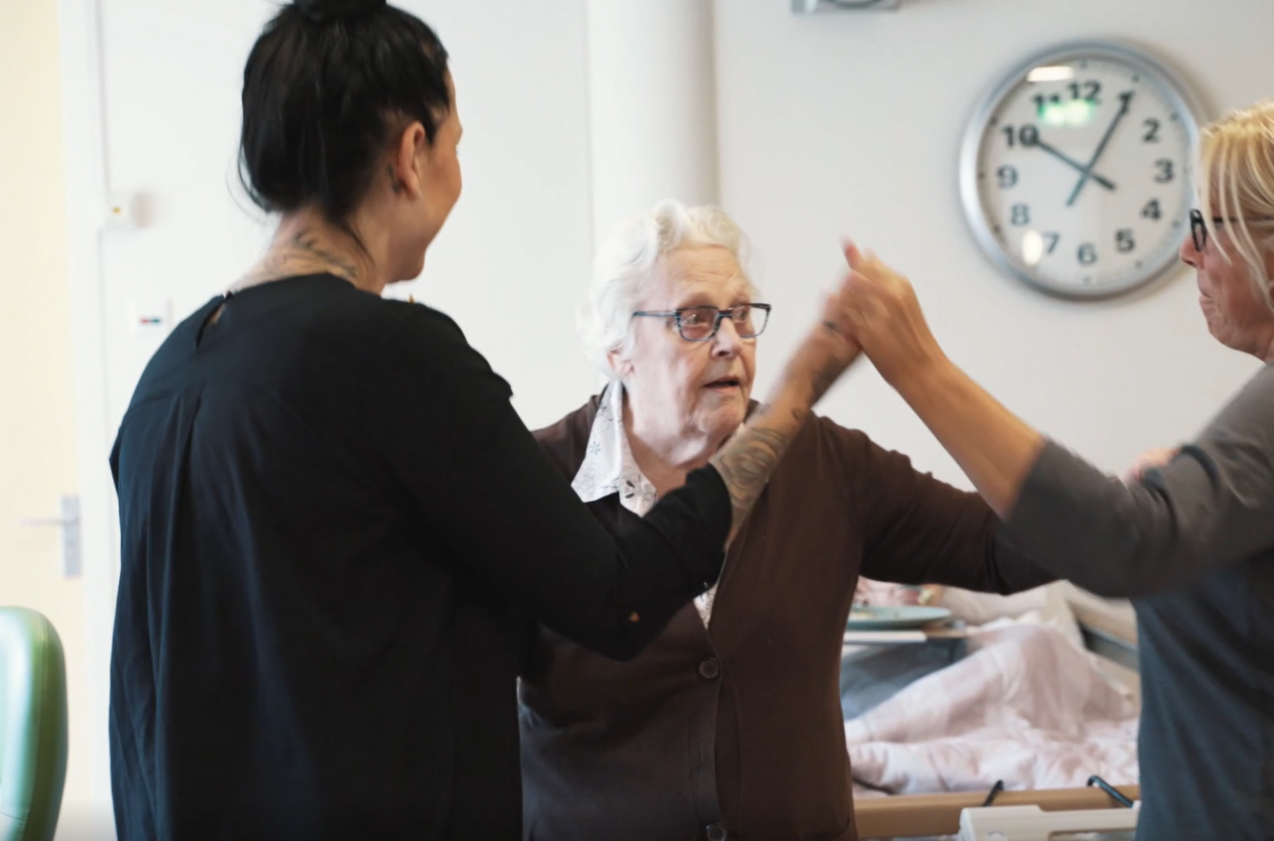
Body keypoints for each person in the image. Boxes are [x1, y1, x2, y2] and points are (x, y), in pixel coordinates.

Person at [107, 3, 855, 839]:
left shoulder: (169, 375)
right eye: (455, 144)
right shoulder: (393, 357)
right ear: (410, 153)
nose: (456, 172)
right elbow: (616, 598)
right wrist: (791, 399)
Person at [831, 95, 1274, 840]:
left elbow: (1125, 544)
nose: (1190, 253)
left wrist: (919, 365)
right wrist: (1222, 509)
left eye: (1204, 228)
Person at [517, 201, 1055, 841]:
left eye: (741, 316)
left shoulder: (826, 464)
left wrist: (1131, 502)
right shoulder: (533, 483)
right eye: (694, 318)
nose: (729, 342)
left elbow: (1008, 551)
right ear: (617, 349)